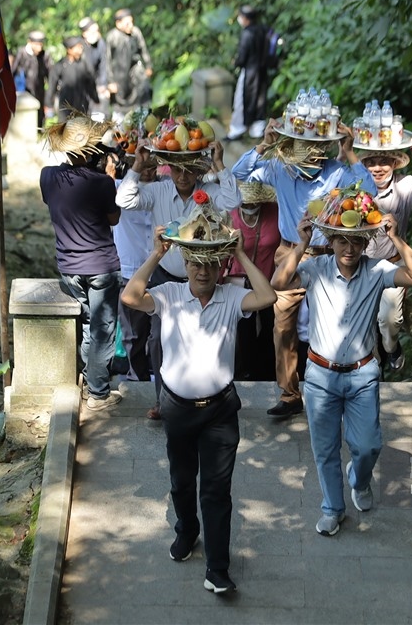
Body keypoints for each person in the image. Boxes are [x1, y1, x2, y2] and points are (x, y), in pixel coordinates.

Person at [120, 225, 277, 595]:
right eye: (194, 263)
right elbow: (130, 296)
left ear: (220, 265)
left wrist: (239, 254)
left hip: (220, 410)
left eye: (210, 263)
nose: (202, 272)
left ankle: (218, 569)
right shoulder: (169, 294)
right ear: (185, 263)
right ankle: (187, 530)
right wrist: (158, 254)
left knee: (217, 491)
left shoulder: (232, 296)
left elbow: (267, 296)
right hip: (177, 407)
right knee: (181, 480)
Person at [270, 212, 412, 536]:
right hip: (320, 375)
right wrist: (301, 243)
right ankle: (332, 507)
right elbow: (278, 283)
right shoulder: (316, 269)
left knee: (369, 445)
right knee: (325, 449)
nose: (350, 247)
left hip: (362, 374)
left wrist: (396, 238)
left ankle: (359, 478)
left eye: (357, 240)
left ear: (366, 242)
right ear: (330, 241)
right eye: (342, 239)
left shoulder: (377, 270)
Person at [231, 118, 376, 418]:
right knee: (282, 325)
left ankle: (337, 389)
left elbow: (369, 190)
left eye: (315, 152)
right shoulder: (279, 170)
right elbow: (240, 171)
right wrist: (265, 143)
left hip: (328, 254)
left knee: (336, 322)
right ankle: (289, 393)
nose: (310, 158)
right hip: (289, 252)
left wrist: (349, 152)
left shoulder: (335, 172)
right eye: (303, 152)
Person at [116, 142, 239, 420]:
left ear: (198, 169)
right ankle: (164, 399)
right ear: (168, 169)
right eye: (177, 169)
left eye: (189, 170)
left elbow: (233, 201)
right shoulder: (158, 190)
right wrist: (137, 166)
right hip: (166, 277)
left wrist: (219, 164)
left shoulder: (209, 191)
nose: (183, 176)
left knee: (207, 334)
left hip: (203, 276)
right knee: (158, 338)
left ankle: (208, 393)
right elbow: (124, 200)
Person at [40, 111, 123, 411]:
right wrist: (109, 179)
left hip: (68, 269)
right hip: (101, 266)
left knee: (89, 324)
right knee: (103, 330)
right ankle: (98, 393)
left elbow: (57, 202)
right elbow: (113, 218)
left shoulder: (47, 176)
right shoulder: (101, 183)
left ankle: (91, 379)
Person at [360, 135, 412, 373]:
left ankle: (392, 346)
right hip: (361, 266)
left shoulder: (404, 184)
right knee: (361, 323)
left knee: (389, 321)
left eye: (383, 161)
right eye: (371, 162)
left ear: (395, 163)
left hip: (393, 266)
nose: (377, 168)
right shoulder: (355, 185)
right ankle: (369, 372)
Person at [225, 182, 280, 380]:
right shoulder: (228, 215)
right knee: (242, 333)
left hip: (269, 281)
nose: (249, 206)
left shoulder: (275, 212)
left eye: (253, 202)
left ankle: (266, 375)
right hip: (238, 283)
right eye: (245, 203)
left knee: (269, 329)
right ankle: (243, 375)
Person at [113, 160, 156, 383]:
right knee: (133, 333)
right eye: (144, 166)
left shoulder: (163, 188)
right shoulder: (119, 188)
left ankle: (162, 377)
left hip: (160, 270)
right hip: (131, 270)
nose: (149, 171)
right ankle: (137, 378)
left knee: (159, 333)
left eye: (153, 165)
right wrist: (137, 167)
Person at [226, 5, 269, 141]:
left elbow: (242, 57)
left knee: (241, 101)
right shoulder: (263, 29)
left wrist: (236, 62)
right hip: (262, 71)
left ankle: (237, 129)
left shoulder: (247, 34)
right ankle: (256, 130)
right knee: (260, 100)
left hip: (249, 72)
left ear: (245, 19)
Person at [105, 9, 152, 121]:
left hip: (135, 72)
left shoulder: (135, 32)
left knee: (143, 95)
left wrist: (149, 66)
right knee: (120, 111)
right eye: (127, 23)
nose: (130, 26)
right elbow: (107, 59)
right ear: (118, 23)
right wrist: (110, 81)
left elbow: (143, 49)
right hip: (119, 77)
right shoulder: (112, 37)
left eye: (131, 22)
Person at [46, 37, 97, 122]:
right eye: (77, 48)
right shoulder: (60, 65)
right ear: (69, 50)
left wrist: (95, 98)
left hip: (82, 104)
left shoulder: (84, 65)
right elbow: (52, 85)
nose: (80, 50)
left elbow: (91, 84)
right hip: (65, 104)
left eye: (80, 47)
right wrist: (48, 104)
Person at [12, 30, 53, 128]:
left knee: (39, 114)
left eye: (41, 45)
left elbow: (51, 74)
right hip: (24, 90)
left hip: (40, 90)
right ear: (29, 42)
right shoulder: (22, 53)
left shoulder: (45, 55)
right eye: (36, 44)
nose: (39, 48)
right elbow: (13, 71)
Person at [79, 17, 110, 117]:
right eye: (92, 31)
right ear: (84, 34)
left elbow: (103, 64)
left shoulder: (100, 43)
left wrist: (103, 84)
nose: (96, 34)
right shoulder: (79, 45)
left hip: (96, 82)